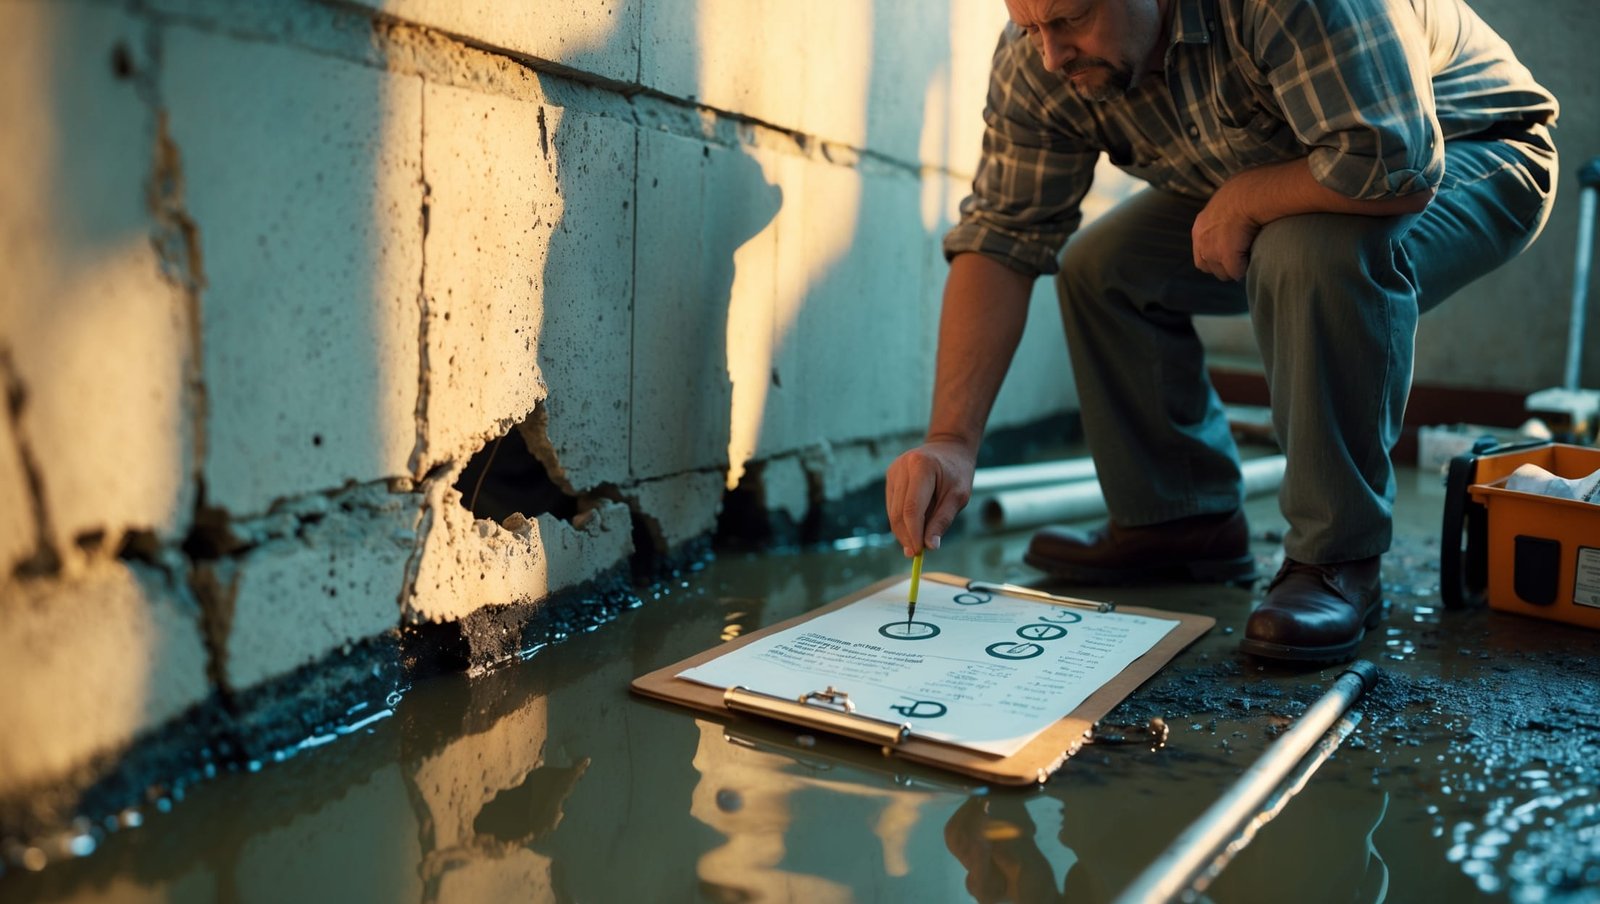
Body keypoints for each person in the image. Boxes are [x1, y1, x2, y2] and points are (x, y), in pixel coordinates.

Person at [885, 0, 1558, 663]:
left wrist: (1249, 199)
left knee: (1308, 248)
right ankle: (1182, 523)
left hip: (1467, 150)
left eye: (1071, 20)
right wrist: (952, 441)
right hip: (1286, 166)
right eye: (1032, 27)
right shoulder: (1038, 62)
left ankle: (1337, 559)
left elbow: (1391, 164)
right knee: (1103, 270)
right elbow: (1003, 238)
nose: (1051, 55)